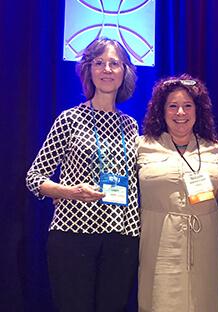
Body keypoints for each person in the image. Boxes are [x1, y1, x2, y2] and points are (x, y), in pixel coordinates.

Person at [26, 38, 139, 312]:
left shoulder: (131, 126)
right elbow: (34, 177)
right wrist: (70, 192)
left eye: (114, 63)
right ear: (88, 70)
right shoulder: (69, 119)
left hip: (123, 237)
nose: (107, 69)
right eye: (99, 63)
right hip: (74, 234)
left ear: (124, 71)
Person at [137, 74, 218, 312]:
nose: (181, 113)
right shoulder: (142, 145)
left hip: (206, 243)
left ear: (198, 110)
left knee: (204, 302)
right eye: (172, 106)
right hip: (159, 241)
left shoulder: (216, 148)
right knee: (159, 301)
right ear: (161, 111)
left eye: (187, 106)